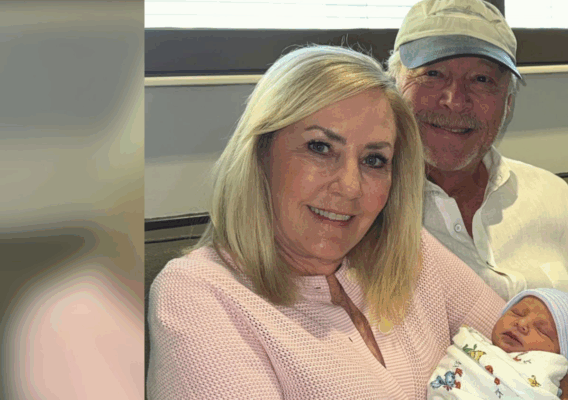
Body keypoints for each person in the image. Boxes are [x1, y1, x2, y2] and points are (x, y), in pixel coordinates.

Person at [145, 45, 513, 399]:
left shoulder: (413, 252)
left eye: (374, 160)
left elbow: (533, 356)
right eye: (320, 148)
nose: (350, 187)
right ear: (261, 152)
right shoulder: (199, 293)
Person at [386, 0, 568, 398]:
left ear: (508, 101)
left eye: (481, 80)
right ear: (394, 86)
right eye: (433, 74)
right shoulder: (367, 208)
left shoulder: (551, 194)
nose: (455, 100)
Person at [429, 289, 568, 400]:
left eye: (542, 329)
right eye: (517, 313)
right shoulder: (473, 344)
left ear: (560, 357)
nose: (522, 323)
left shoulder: (557, 383)